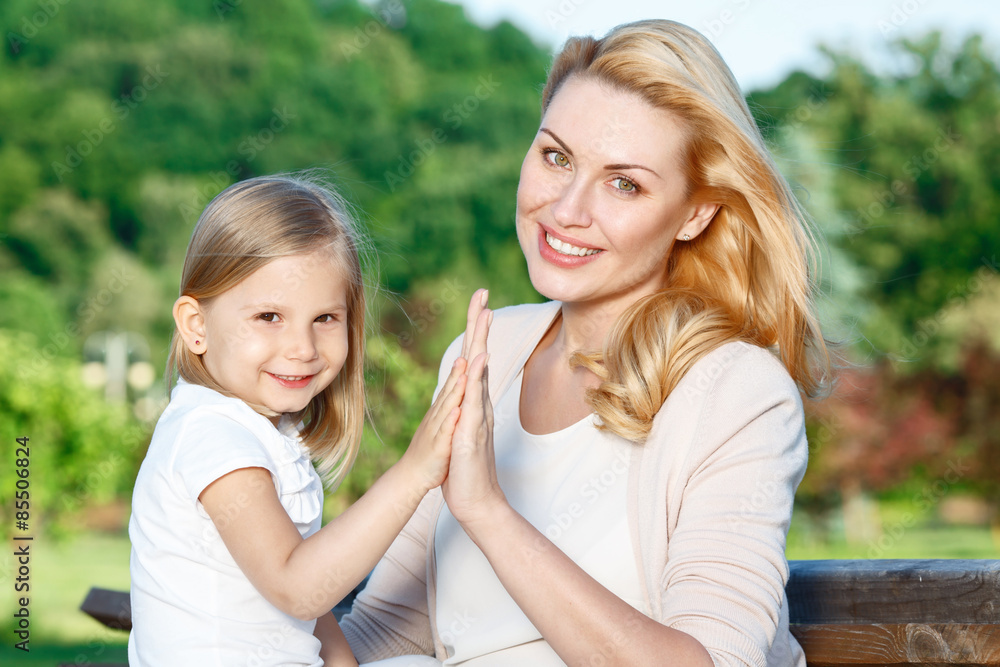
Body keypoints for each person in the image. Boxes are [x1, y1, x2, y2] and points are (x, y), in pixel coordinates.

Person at [341, 19, 830, 667]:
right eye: (556, 157)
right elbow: (386, 633)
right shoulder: (487, 352)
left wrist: (489, 513)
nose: (567, 209)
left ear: (696, 212)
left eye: (623, 183)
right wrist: (256, 570)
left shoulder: (736, 391)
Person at [128, 174, 478, 666]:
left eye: (324, 319)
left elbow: (311, 612)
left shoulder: (265, 432)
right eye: (269, 317)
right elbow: (299, 588)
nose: (303, 348)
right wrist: (414, 472)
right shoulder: (211, 436)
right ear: (196, 326)